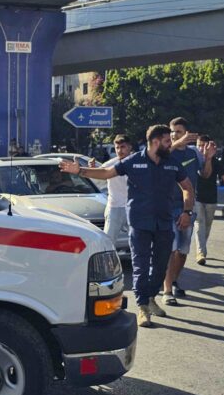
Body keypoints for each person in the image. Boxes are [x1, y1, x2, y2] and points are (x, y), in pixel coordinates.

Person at [60, 124, 195, 328]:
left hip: (165, 222)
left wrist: (187, 211)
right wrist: (80, 170)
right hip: (140, 223)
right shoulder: (134, 161)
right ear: (156, 142)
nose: (171, 145)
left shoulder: (172, 163)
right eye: (167, 141)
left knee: (160, 266)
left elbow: (187, 187)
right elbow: (106, 173)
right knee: (140, 265)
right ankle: (142, 307)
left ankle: (150, 298)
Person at [162, 117, 214, 305]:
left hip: (187, 207)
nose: (175, 135)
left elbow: (205, 174)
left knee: (182, 250)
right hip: (168, 207)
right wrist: (176, 144)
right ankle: (167, 290)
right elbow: (159, 155)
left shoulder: (194, 153)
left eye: (179, 131)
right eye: (172, 132)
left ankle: (174, 280)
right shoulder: (167, 152)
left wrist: (208, 158)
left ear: (187, 133)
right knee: (171, 248)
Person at [193, 135, 224, 265]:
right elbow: (202, 174)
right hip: (197, 198)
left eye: (204, 145)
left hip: (211, 199)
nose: (201, 148)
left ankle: (202, 248)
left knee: (207, 226)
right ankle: (200, 252)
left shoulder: (216, 162)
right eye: (199, 145)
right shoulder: (195, 160)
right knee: (199, 224)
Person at [89, 134, 133, 243]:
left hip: (133, 207)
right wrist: (92, 169)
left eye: (123, 147)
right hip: (114, 207)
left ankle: (137, 260)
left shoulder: (137, 162)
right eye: (117, 148)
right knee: (107, 241)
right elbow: (97, 178)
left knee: (137, 240)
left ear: (130, 147)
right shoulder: (110, 164)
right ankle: (107, 260)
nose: (119, 150)